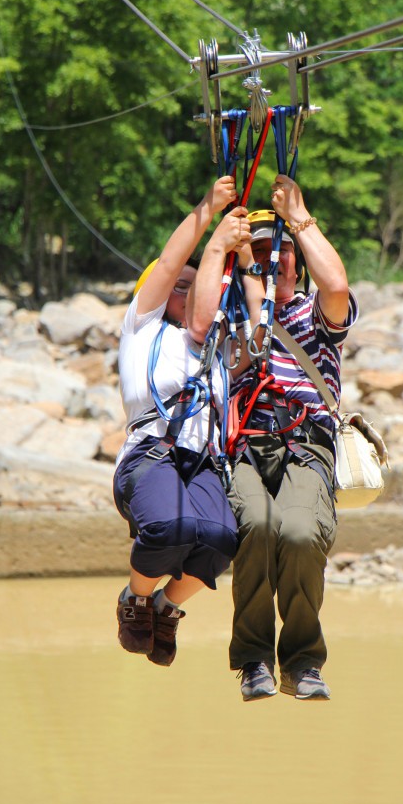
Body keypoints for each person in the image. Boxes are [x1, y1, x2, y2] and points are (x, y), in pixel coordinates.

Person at [189, 174, 358, 701]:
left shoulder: (313, 314)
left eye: (279, 251)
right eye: (259, 251)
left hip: (305, 446)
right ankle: (254, 659)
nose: (270, 258)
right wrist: (222, 242)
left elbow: (336, 286)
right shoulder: (232, 321)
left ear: (296, 260)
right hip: (247, 444)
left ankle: (303, 660)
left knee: (301, 533)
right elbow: (197, 319)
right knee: (257, 528)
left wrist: (299, 218)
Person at [113, 175, 264, 666]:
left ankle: (165, 605)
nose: (183, 291)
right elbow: (172, 261)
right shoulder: (142, 328)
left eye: (193, 288)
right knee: (171, 527)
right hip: (150, 453)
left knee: (221, 541)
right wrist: (207, 212)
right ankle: (134, 598)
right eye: (177, 286)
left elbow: (258, 333)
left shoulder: (215, 353)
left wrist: (245, 263)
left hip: (200, 463)